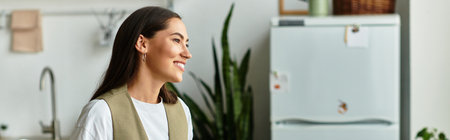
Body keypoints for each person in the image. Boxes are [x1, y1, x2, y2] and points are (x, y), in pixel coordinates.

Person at [71, 6, 193, 140]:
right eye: (176, 40)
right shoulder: (102, 113)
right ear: (142, 44)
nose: (187, 54)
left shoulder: (181, 110)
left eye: (186, 44)